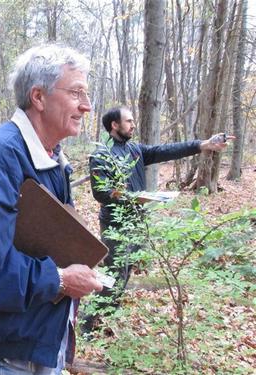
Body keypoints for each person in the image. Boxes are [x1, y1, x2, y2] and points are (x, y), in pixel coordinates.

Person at [0, 44, 103, 374]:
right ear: (39, 97)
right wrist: (59, 280)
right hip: (13, 354)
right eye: (75, 93)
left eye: (86, 95)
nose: (86, 106)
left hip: (43, 339)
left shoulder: (50, 156)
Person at [83, 105, 233, 332]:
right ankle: (88, 323)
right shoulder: (102, 154)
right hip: (115, 224)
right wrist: (134, 198)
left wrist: (203, 145)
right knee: (114, 273)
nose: (133, 124)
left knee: (124, 273)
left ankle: (105, 316)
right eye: (128, 121)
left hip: (135, 222)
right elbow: (100, 192)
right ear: (115, 125)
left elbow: (166, 150)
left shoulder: (135, 149)